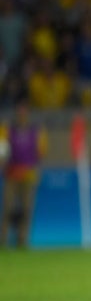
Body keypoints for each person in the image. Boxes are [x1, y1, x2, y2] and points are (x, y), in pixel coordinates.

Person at [0, 100, 47, 249]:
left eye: (24, 111)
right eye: (19, 111)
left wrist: (34, 168)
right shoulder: (8, 129)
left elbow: (40, 152)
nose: (22, 114)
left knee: (27, 209)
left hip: (28, 174)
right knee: (7, 208)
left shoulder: (36, 131)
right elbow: (2, 150)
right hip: (12, 173)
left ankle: (22, 241)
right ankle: (3, 240)